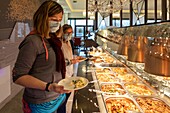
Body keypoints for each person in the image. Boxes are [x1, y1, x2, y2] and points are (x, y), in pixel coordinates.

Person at [12, 1, 70, 113]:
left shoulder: (53, 40)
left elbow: (52, 64)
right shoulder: (33, 41)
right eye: (53, 19)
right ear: (42, 18)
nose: (57, 23)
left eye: (59, 20)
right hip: (41, 102)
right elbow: (18, 76)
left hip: (58, 96)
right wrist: (49, 86)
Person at [60, 24, 78, 112]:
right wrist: (71, 62)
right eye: (67, 33)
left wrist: (74, 59)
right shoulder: (59, 43)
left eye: (71, 33)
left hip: (69, 73)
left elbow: (69, 56)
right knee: (62, 101)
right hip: (62, 75)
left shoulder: (69, 42)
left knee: (67, 96)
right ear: (62, 33)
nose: (70, 34)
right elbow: (58, 61)